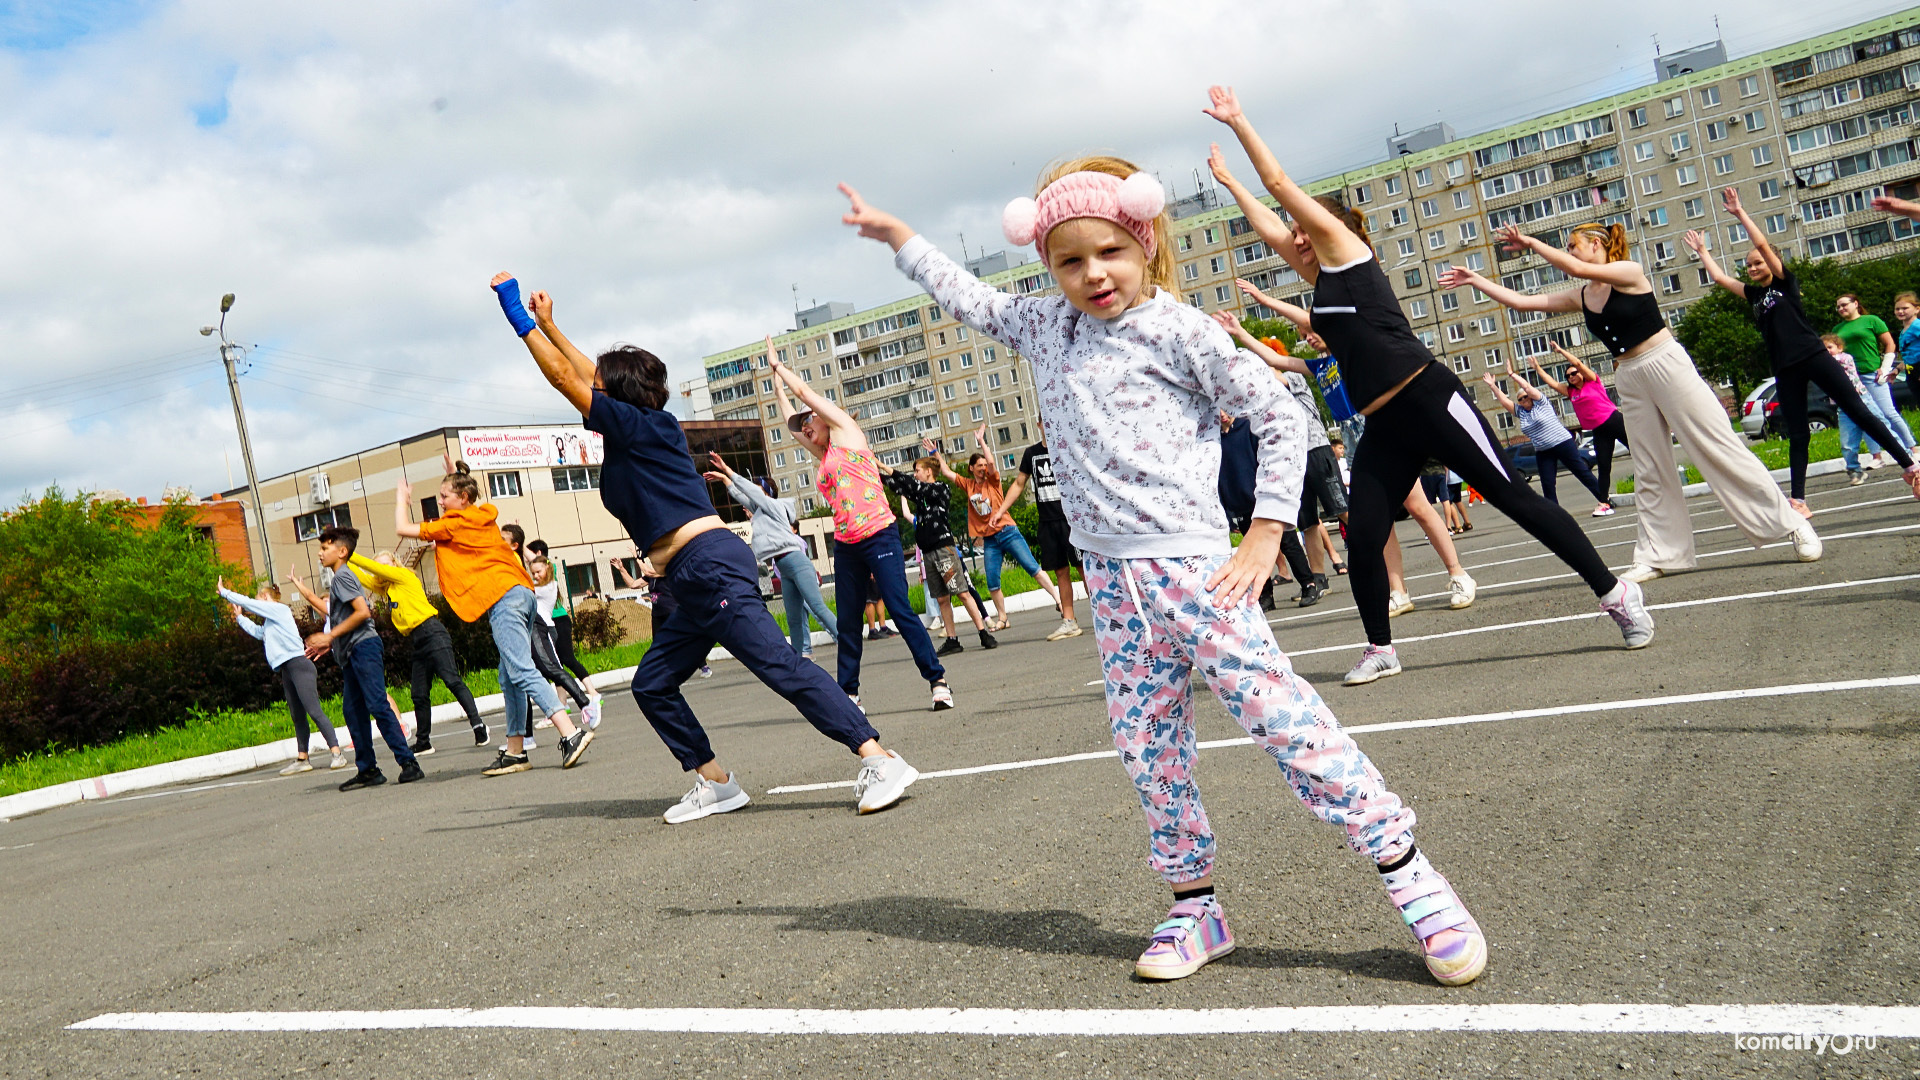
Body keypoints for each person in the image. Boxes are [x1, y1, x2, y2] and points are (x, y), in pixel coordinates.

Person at [840, 128, 1487, 987]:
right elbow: (967, 298)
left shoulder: (1180, 331)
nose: (1093, 274)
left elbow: (1283, 412)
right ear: (1048, 266)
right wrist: (902, 241)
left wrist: (1265, 531)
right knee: (1147, 746)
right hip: (1111, 584)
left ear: (1145, 243)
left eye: (1111, 251)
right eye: (1070, 261)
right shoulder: (1043, 325)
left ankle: (1412, 877)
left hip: (1196, 574)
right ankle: (1195, 906)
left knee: (1289, 725)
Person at [491, 276, 917, 818]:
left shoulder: (646, 427)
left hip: (708, 565)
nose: (590, 386)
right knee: (653, 683)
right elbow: (584, 375)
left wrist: (519, 317)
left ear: (616, 395)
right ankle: (716, 782)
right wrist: (552, 324)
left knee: (779, 666)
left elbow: (564, 376)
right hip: (684, 582)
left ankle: (878, 758)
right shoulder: (630, 433)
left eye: (601, 384)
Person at [1437, 216, 1818, 585]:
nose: (1569, 254)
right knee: (1649, 466)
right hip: (1630, 376)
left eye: (1573, 246)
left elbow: (1578, 269)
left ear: (1597, 245)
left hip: (1666, 363)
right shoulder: (1584, 294)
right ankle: (1658, 554)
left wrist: (1533, 243)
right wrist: (1475, 280)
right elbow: (1523, 303)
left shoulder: (1629, 272)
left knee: (1717, 447)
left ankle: (1791, 523)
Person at [1229, 274, 1478, 623]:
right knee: (1381, 518)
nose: (1309, 338)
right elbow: (1281, 362)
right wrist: (1241, 335)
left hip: (1382, 427)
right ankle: (1398, 591)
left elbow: (1308, 320)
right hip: (1354, 439)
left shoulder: (1353, 352)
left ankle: (1458, 574)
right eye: (1306, 336)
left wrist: (1264, 298)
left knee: (1418, 506)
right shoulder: (1321, 366)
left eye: (1312, 332)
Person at [1686, 192, 1920, 508]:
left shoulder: (1785, 283)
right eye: (1749, 265)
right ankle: (1798, 500)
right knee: (1798, 434)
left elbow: (1766, 248)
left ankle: (1909, 466)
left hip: (1813, 355)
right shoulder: (1755, 296)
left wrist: (1740, 213)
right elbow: (1718, 277)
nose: (1752, 268)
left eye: (1757, 263)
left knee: (1858, 411)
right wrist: (1703, 252)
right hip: (1785, 368)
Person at [767, 337, 954, 712]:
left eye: (809, 421)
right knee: (850, 621)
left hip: (879, 533)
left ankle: (938, 681)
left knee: (900, 609)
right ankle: (849, 694)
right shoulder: (822, 454)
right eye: (803, 426)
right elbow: (790, 421)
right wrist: (773, 383)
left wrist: (779, 366)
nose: (806, 428)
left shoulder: (848, 433)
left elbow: (803, 392)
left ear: (825, 416)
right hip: (847, 543)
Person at [395, 461, 594, 776]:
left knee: (521, 669)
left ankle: (570, 733)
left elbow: (402, 530)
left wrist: (401, 499)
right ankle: (516, 752)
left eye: (445, 495)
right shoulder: (481, 513)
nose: (441, 501)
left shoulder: (454, 522)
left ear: (462, 498)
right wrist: (460, 476)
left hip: (504, 598)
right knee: (509, 676)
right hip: (522, 593)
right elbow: (470, 495)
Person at [309, 527, 423, 791]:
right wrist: (334, 642)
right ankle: (368, 770)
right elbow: (347, 615)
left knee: (376, 703)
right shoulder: (339, 578)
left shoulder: (342, 578)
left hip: (364, 648)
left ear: (342, 551)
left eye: (325, 548)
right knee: (352, 709)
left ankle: (409, 764)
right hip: (351, 651)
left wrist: (329, 637)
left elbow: (363, 612)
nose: (319, 553)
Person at [348, 545, 490, 752]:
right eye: (378, 567)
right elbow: (363, 577)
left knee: (452, 680)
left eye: (385, 565)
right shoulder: (386, 588)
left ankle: (478, 725)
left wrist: (350, 553)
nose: (381, 570)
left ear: (394, 565)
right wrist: (342, 558)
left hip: (432, 632)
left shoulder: (404, 576)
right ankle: (423, 742)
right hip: (417, 640)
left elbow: (370, 568)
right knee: (419, 694)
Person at [702, 452, 836, 661]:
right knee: (793, 618)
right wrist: (724, 479)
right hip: (783, 567)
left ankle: (846, 641)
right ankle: (800, 659)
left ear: (765, 493)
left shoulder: (775, 506)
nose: (750, 498)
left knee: (817, 608)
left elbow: (750, 492)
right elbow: (741, 495)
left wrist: (728, 470)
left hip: (796, 561)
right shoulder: (760, 512)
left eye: (757, 491)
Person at [929, 426, 1061, 630]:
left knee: (1032, 567)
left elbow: (992, 462)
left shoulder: (993, 480)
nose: (983, 467)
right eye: (978, 465)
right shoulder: (967, 484)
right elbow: (946, 471)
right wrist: (934, 452)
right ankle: (1003, 618)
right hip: (990, 540)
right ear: (971, 468)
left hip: (1008, 532)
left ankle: (1058, 600)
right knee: (992, 582)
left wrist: (981, 441)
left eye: (984, 464)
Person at [218, 578, 346, 773]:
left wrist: (225, 592)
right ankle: (303, 759)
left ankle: (337, 753)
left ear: (265, 597)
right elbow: (259, 632)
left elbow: (249, 603)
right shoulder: (271, 622)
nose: (257, 603)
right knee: (297, 715)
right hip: (286, 668)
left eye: (258, 599)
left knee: (313, 711)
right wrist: (240, 618)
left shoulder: (280, 610)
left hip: (299, 665)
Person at [883, 451, 999, 653]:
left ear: (929, 472)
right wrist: (872, 472)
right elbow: (899, 485)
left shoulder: (940, 488)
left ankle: (983, 633)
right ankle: (952, 639)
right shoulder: (919, 493)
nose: (915, 475)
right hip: (928, 552)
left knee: (962, 593)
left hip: (943, 549)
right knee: (942, 598)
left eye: (918, 471)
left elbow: (911, 485)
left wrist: (883, 465)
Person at [995, 426, 1084, 638]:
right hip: (1048, 522)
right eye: (1044, 422)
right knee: (1061, 572)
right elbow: (1019, 483)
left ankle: (1104, 616)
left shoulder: (1065, 447)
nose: (1049, 426)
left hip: (1070, 520)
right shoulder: (1031, 453)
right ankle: (1069, 620)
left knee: (1083, 569)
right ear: (1039, 425)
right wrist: (1000, 511)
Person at [1483, 369, 1606, 508]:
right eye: (1520, 399)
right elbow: (1504, 401)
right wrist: (1493, 386)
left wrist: (1512, 375)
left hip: (1562, 443)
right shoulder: (1521, 412)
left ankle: (1604, 499)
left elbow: (1528, 387)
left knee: (1581, 471)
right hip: (1543, 450)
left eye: (1525, 396)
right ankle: (1555, 514)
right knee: (1547, 483)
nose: (1524, 400)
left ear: (1530, 396)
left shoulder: (1541, 403)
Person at [1530, 342, 1625, 517]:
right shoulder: (1571, 392)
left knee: (1640, 449)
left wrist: (1560, 351)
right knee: (1604, 466)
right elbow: (1551, 383)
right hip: (1599, 430)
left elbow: (1579, 364)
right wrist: (1537, 368)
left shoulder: (1592, 381)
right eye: (1568, 376)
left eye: (1574, 373)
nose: (1572, 376)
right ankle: (1604, 503)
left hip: (1614, 420)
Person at [1832, 291, 1918, 463]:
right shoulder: (1837, 329)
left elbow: (1889, 344)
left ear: (1855, 304)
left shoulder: (1871, 320)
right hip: (1853, 378)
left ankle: (1912, 448)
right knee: (1865, 416)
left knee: (1888, 413)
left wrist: (1885, 367)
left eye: (1845, 304)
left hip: (1873, 373)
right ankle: (1876, 456)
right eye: (1838, 306)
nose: (1841, 308)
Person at [529, 555, 603, 729]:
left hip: (545, 630)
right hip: (537, 632)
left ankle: (586, 704)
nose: (535, 576)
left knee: (556, 670)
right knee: (548, 672)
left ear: (548, 569)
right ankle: (559, 709)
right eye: (533, 573)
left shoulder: (548, 586)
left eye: (538, 572)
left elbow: (525, 588)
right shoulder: (538, 586)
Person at [614, 555, 714, 679]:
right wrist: (621, 569)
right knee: (658, 644)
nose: (653, 562)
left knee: (685, 640)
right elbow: (633, 584)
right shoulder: (650, 577)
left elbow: (648, 571)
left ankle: (703, 665)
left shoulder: (666, 571)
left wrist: (637, 558)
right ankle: (663, 671)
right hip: (657, 614)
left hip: (673, 611)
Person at [1821, 334, 1900, 485]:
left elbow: (1834, 362)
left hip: (1861, 399)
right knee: (1847, 442)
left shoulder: (1845, 359)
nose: (1827, 351)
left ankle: (1906, 455)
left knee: (1882, 426)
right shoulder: (1824, 365)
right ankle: (1855, 470)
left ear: (1840, 348)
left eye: (1830, 347)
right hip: (1843, 406)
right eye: (1823, 349)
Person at [525, 539, 593, 685]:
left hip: (559, 620)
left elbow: (535, 561)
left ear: (538, 554)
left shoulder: (550, 568)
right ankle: (562, 703)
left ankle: (592, 692)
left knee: (567, 658)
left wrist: (519, 541)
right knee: (555, 664)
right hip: (546, 623)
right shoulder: (537, 578)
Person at [1895, 291, 1920, 423]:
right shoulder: (1904, 330)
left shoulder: (1917, 326)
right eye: (1897, 309)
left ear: (1917, 309)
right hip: (1911, 372)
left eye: (1905, 308)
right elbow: (1908, 355)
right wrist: (1897, 370)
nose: (1901, 311)